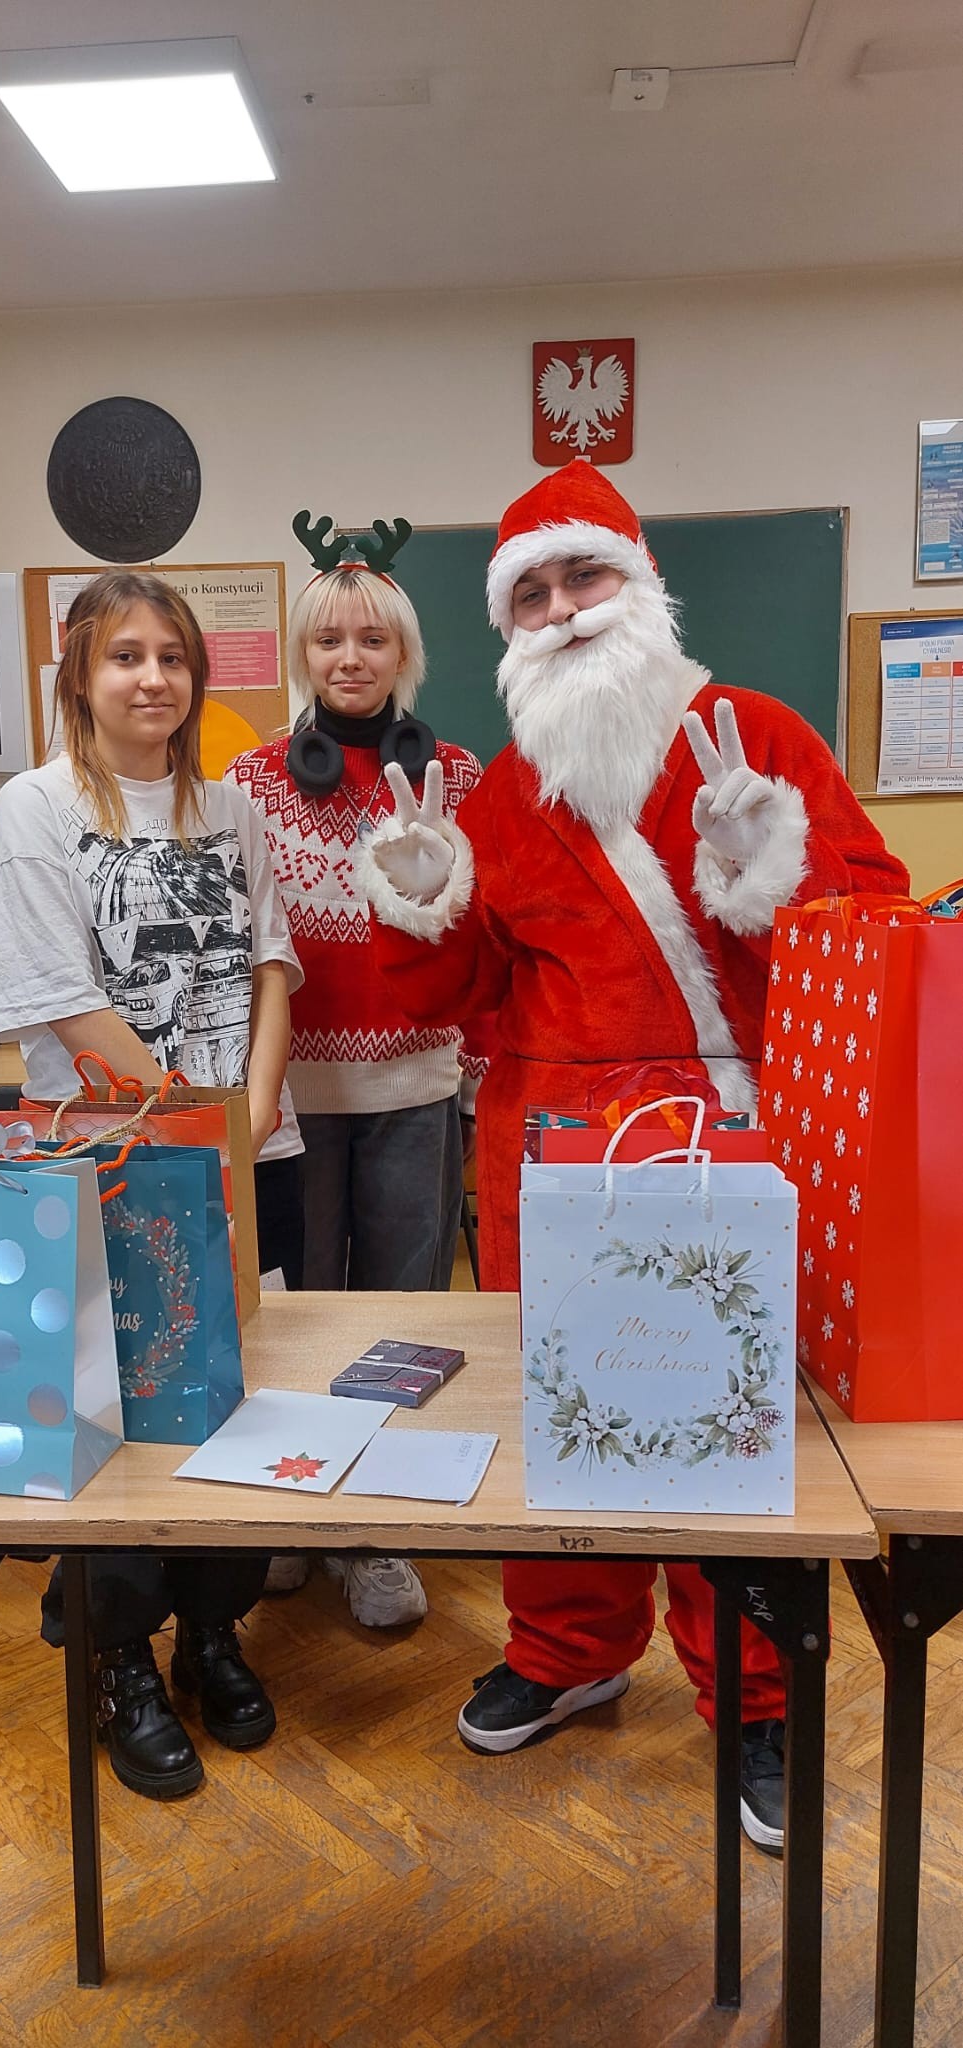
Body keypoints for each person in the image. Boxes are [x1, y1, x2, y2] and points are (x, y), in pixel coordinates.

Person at [358, 461, 909, 1852]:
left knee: (727, 1435)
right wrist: (425, 900)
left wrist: (771, 870)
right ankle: (566, 1649)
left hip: (729, 1135)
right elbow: (452, 997)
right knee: (570, 1425)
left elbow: (870, 940)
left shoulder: (754, 731)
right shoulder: (502, 795)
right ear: (507, 627)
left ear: (640, 582)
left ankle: (758, 1694)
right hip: (548, 1153)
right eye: (530, 594)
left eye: (583, 575)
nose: (561, 610)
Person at [0, 569, 304, 1799]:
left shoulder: (233, 809)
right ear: (80, 672)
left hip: (242, 1154)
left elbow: (270, 966)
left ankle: (213, 1627)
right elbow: (63, 1000)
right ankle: (120, 1655)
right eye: (125, 655)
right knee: (111, 1415)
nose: (152, 678)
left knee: (228, 1400)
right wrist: (192, 1123)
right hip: (108, 1165)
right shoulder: (35, 806)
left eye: (171, 655)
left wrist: (250, 1111)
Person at [225, 516, 483, 1626]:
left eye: (373, 639)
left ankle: (374, 1531)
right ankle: (296, 1507)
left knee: (397, 1316)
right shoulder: (246, 781)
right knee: (295, 1315)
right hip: (285, 1102)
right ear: (302, 652)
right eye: (328, 639)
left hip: (415, 1089)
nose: (349, 658)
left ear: (404, 654)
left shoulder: (456, 775)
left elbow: (478, 933)